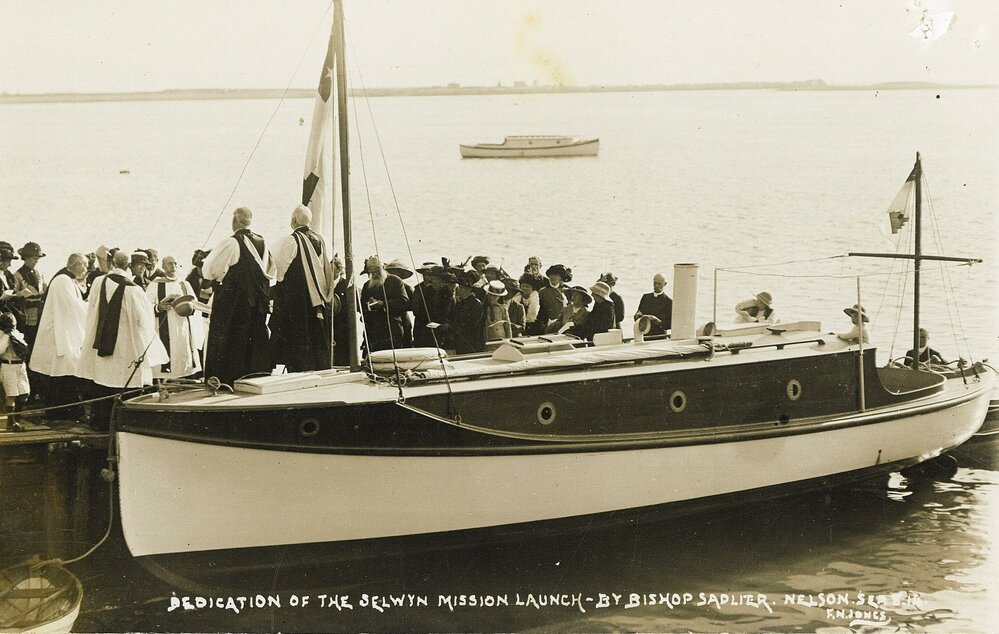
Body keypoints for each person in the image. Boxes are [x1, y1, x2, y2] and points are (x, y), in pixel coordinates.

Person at [78, 251, 169, 429]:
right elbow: (143, 320)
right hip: (125, 345)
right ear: (128, 266)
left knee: (103, 380)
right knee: (124, 382)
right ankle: (124, 424)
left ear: (113, 263)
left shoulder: (99, 282)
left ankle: (100, 422)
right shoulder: (133, 289)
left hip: (101, 341)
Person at [202, 207, 275, 384]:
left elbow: (210, 271)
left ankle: (225, 380)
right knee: (254, 339)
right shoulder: (263, 243)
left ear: (234, 221)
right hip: (257, 303)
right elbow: (271, 270)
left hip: (234, 301)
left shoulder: (232, 243)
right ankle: (254, 375)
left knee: (230, 339)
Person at [270, 205, 336, 372]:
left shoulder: (291, 240)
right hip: (316, 298)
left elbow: (280, 270)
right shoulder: (320, 240)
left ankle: (298, 370)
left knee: (296, 339)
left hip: (296, 299)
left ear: (293, 220)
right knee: (314, 337)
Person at [29, 253, 89, 420]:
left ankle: (64, 412)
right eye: (85, 265)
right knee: (62, 375)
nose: (86, 270)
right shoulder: (62, 280)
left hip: (64, 333)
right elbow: (73, 307)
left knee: (64, 374)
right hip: (57, 336)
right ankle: (62, 413)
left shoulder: (68, 280)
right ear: (76, 264)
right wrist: (91, 307)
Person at [146, 255, 202, 379]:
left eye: (175, 263)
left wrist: (189, 307)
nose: (173, 266)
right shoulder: (155, 285)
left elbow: (195, 304)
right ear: (163, 266)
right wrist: (158, 307)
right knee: (166, 356)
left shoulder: (184, 284)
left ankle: (184, 379)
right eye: (170, 263)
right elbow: (146, 306)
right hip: (163, 327)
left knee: (183, 353)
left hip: (182, 326)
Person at [359, 255, 410, 353]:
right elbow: (362, 306)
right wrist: (368, 304)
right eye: (372, 272)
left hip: (392, 329)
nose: (375, 274)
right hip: (373, 331)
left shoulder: (395, 281)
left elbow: (404, 302)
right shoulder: (367, 285)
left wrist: (384, 304)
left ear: (382, 268)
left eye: (377, 271)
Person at [0, 312, 30, 432]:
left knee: (24, 393)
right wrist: (7, 336)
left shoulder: (17, 333)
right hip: (9, 365)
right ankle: (11, 423)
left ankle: (16, 418)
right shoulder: (3, 335)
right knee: (12, 395)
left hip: (20, 365)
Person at [412, 263, 453, 349]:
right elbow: (419, 311)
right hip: (425, 328)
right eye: (432, 279)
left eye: (435, 279)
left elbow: (449, 313)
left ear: (442, 281)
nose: (432, 281)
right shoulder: (426, 291)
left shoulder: (448, 293)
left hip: (441, 330)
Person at [443, 271, 485, 355]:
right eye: (459, 287)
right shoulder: (460, 303)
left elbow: (471, 324)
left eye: (462, 288)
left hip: (471, 341)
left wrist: (450, 327)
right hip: (460, 341)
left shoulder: (475, 304)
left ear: (469, 289)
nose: (459, 290)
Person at [13, 242, 46, 346]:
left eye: (38, 258)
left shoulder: (39, 274)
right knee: (28, 344)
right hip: (27, 318)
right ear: (26, 258)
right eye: (34, 258)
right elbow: (13, 296)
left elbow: (44, 290)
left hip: (41, 315)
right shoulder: (17, 275)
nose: (36, 261)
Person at [385, 259, 416, 348]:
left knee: (405, 343)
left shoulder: (406, 287)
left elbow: (412, 305)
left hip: (402, 318)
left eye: (397, 272)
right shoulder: (385, 286)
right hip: (388, 320)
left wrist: (396, 305)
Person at [539, 264, 571, 333]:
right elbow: (541, 312)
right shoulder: (543, 291)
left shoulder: (568, 290)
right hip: (549, 324)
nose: (552, 277)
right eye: (551, 275)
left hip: (565, 323)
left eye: (556, 275)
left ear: (561, 277)